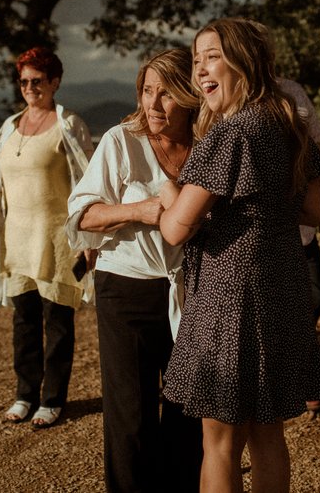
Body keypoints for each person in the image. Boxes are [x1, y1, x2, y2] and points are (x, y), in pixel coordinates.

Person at [159, 18, 320, 493]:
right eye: (196, 61)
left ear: (243, 61)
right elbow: (316, 211)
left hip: (229, 296)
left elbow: (176, 229)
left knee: (219, 441)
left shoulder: (230, 133)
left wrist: (161, 202)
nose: (200, 71)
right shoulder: (287, 122)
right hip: (281, 286)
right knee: (268, 431)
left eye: (211, 56)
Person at [66, 49, 203, 492]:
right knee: (131, 413)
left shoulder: (208, 143)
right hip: (125, 290)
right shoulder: (120, 141)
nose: (154, 105)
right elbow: (82, 216)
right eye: (147, 91)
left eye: (166, 94)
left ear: (190, 93)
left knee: (188, 408)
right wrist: (141, 210)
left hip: (192, 291)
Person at [0, 46, 94, 429]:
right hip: (17, 241)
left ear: (55, 82)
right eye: (23, 81)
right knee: (23, 322)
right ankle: (25, 393)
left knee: (57, 323)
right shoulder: (9, 126)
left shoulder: (69, 124)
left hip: (57, 242)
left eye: (37, 81)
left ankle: (52, 398)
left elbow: (88, 183)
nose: (29, 87)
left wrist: (88, 238)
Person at [276, 77, 320, 412]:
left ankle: (294, 370)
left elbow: (317, 149)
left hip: (301, 224)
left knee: (315, 296)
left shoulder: (292, 91)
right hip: (266, 234)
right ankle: (300, 383)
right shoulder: (224, 96)